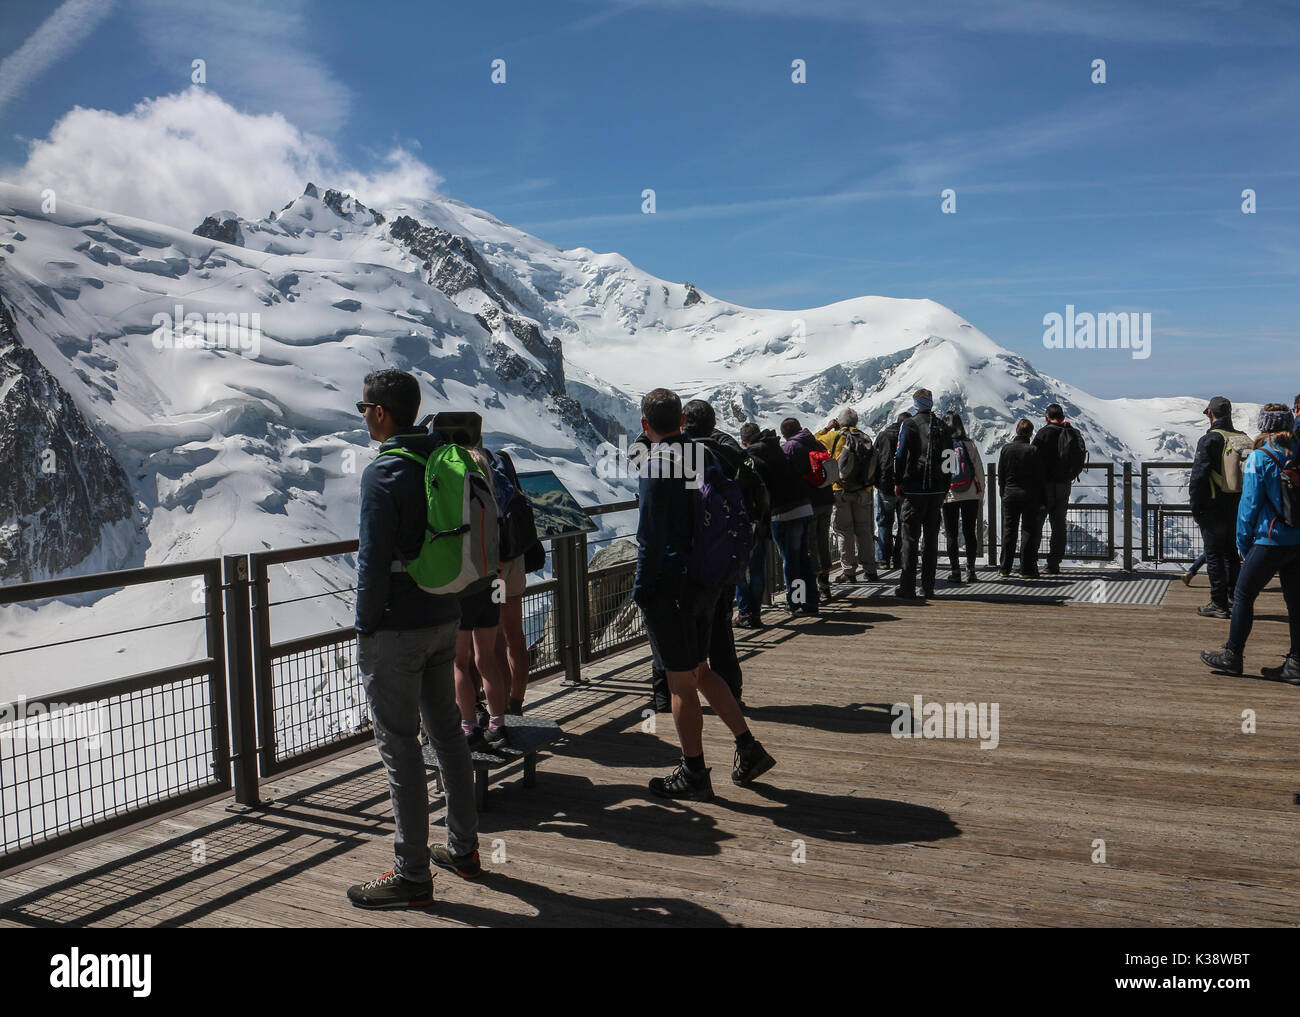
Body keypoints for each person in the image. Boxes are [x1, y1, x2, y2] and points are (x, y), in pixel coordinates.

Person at [348, 369, 480, 908]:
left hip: (397, 627)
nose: (364, 417)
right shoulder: (441, 458)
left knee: (399, 748)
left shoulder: (383, 473)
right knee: (447, 734)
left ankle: (412, 874)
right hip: (444, 613)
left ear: (381, 412)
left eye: (364, 408)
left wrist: (365, 624)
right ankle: (465, 849)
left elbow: (372, 558)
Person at [634, 388, 776, 800]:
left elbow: (649, 536)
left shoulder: (657, 463)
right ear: (681, 421)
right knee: (699, 669)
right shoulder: (703, 454)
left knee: (679, 681)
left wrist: (643, 589)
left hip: (670, 585)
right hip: (707, 580)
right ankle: (747, 747)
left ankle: (694, 771)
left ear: (646, 425)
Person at [1201, 404, 1300, 682]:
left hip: (1269, 539)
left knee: (1244, 595)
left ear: (1264, 426)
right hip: (1298, 540)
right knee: (1295, 602)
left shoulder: (1261, 456)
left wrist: (1243, 544)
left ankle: (1232, 655)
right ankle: (1296, 663)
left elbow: (1249, 505)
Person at [683, 399, 751, 704]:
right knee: (722, 626)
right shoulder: (729, 453)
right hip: (728, 553)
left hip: (695, 559)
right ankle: (730, 691)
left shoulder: (683, 455)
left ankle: (677, 697)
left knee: (685, 632)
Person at [452, 445, 514, 751]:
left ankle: (468, 727)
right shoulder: (493, 501)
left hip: (464, 587)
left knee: (459, 663)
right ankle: (498, 725)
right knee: (487, 659)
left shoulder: (457, 503)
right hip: (491, 584)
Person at [746, 423, 818, 615]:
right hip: (804, 506)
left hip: (784, 512)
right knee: (802, 557)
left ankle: (796, 602)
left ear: (745, 442)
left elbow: (761, 492)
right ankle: (811, 600)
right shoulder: (778, 448)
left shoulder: (754, 457)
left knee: (791, 560)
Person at [1188, 396, 1249, 619]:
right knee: (1232, 553)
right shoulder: (1242, 437)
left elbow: (1199, 477)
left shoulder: (1210, 439)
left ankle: (1218, 603)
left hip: (1214, 506)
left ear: (1210, 414)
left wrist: (1196, 507)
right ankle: (1233, 598)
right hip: (1238, 504)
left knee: (1214, 554)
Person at [893, 390, 952, 600]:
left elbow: (900, 456)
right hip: (937, 490)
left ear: (916, 404)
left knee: (909, 537)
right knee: (931, 539)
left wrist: (898, 481)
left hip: (914, 488)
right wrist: (945, 487)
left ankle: (907, 586)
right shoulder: (943, 426)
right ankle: (928, 586)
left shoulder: (909, 424)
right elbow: (949, 459)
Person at [816, 409, 878, 584]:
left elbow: (813, 441)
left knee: (844, 532)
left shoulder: (834, 436)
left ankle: (849, 571)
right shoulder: (865, 437)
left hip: (840, 490)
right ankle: (870, 570)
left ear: (840, 422)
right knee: (864, 531)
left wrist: (827, 428)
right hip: (863, 490)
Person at [781, 417, 836, 603]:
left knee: (809, 546)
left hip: (807, 504)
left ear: (785, 434)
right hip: (827, 499)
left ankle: (810, 591)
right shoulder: (816, 443)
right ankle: (825, 585)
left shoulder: (790, 448)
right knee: (823, 541)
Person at [1030, 403, 1086, 575]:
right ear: (1062, 416)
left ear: (1047, 417)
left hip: (1045, 486)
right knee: (1059, 524)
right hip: (1064, 484)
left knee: (1037, 524)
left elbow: (1033, 458)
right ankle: (1054, 563)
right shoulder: (1071, 432)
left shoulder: (1043, 433)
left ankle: (1031, 562)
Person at [736, 423, 775, 629]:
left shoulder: (741, 461)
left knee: (740, 571)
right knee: (757, 569)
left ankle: (744, 613)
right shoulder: (768, 456)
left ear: (744, 441)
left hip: (742, 522)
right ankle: (757, 613)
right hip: (760, 520)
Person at [997, 418, 1045, 579]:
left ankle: (1005, 568)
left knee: (1009, 531)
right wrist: (1042, 500)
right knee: (1028, 531)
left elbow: (1001, 475)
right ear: (1031, 433)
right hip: (1029, 496)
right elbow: (1040, 478)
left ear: (1016, 431)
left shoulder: (1006, 449)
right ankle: (1026, 569)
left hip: (1009, 495)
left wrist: (1003, 493)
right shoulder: (1033, 450)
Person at [942, 411, 985, 584]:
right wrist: (980, 492)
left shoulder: (944, 446)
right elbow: (979, 469)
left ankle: (955, 571)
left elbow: (943, 472)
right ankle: (971, 570)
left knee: (951, 534)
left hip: (950, 495)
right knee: (969, 532)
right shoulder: (969, 444)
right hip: (970, 494)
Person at [873, 412, 910, 570]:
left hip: (884, 485)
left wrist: (876, 481)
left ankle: (882, 559)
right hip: (905, 486)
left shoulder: (883, 435)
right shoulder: (909, 436)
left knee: (884, 523)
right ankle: (899, 558)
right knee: (904, 523)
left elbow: (874, 458)